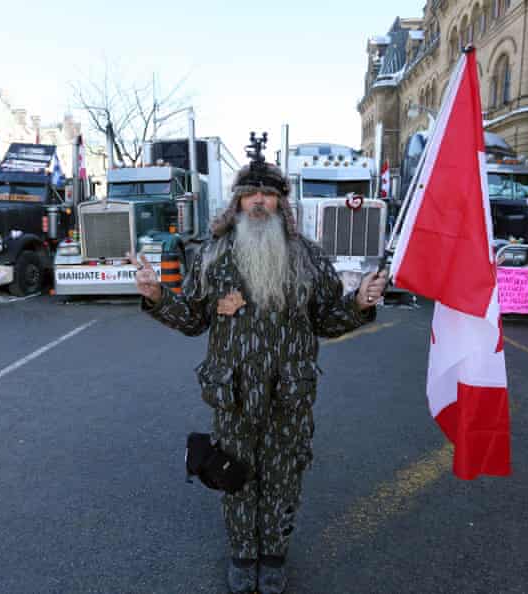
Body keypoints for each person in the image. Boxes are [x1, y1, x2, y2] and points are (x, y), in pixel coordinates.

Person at [134, 159, 387, 594]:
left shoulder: (307, 257)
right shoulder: (213, 256)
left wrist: (360, 303)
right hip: (232, 393)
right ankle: (242, 555)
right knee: (235, 474)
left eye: (267, 194)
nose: (258, 201)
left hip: (290, 392)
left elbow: (327, 319)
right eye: (250, 194)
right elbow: (194, 320)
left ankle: (273, 555)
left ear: (280, 203)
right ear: (236, 202)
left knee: (284, 476)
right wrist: (158, 297)